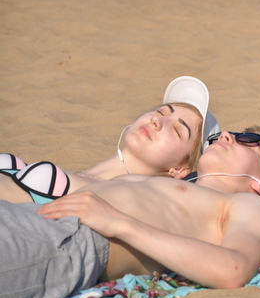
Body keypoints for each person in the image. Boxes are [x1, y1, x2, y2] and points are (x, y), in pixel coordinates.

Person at [0, 126, 260, 298]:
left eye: (248, 139)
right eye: (228, 134)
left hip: (69, 242)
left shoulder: (247, 205)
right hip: (31, 217)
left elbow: (234, 269)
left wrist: (120, 224)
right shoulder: (167, 185)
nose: (226, 135)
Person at [0, 76, 220, 204]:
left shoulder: (118, 199)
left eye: (177, 130)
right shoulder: (86, 177)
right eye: (162, 112)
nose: (156, 120)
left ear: (179, 169)